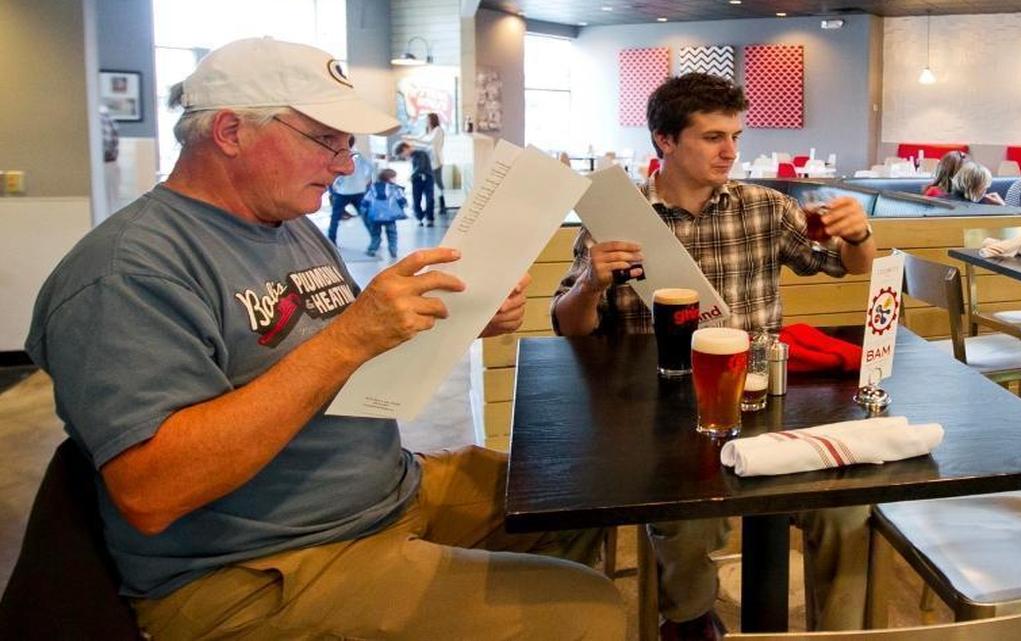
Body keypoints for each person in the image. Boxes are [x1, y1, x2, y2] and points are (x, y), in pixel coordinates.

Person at [25, 37, 624, 641]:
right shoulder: (127, 273)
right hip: (257, 567)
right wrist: (351, 339)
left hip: (381, 493)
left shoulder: (286, 225)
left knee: (575, 495)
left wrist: (451, 317)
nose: (344, 165)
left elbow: (313, 360)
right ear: (231, 131)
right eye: (326, 141)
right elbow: (153, 491)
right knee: (589, 614)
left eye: (349, 145)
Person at [552, 72, 876, 640]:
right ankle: (690, 618)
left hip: (763, 398)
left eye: (735, 135)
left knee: (846, 508)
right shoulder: (619, 220)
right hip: (660, 406)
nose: (730, 151)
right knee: (683, 521)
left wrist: (858, 234)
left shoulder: (765, 208)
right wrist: (589, 285)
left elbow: (850, 266)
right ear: (665, 141)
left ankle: (840, 634)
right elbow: (571, 330)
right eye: (712, 137)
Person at [326, 138, 374, 245]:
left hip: (342, 192)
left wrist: (336, 185)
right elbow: (371, 167)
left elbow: (336, 174)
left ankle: (331, 241)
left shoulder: (339, 156)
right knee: (364, 215)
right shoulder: (359, 156)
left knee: (335, 218)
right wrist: (364, 180)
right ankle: (375, 238)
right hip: (358, 191)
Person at [403, 112, 448, 212]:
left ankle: (443, 204)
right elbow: (420, 138)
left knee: (438, 183)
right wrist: (410, 138)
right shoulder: (427, 130)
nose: (426, 121)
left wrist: (412, 140)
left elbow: (429, 141)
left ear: (433, 119)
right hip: (428, 161)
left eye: (428, 119)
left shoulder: (438, 130)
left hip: (436, 161)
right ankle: (432, 206)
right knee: (430, 184)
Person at [363, 167, 406, 259]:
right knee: (392, 234)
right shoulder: (394, 188)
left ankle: (372, 249)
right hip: (390, 216)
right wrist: (402, 206)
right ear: (390, 178)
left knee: (375, 234)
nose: (395, 179)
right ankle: (393, 251)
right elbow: (401, 200)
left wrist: (365, 210)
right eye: (394, 177)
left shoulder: (373, 187)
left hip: (375, 216)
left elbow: (366, 200)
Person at [394, 140, 435, 227]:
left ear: (405, 149)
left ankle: (429, 219)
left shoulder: (421, 153)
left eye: (402, 154)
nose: (403, 156)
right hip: (416, 180)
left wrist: (411, 176)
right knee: (416, 200)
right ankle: (419, 218)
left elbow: (421, 167)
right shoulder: (411, 157)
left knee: (429, 199)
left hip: (427, 179)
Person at [99, 105, 121, 219]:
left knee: (106, 201)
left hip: (104, 163)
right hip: (110, 163)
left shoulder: (101, 118)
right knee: (112, 200)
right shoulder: (107, 117)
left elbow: (106, 146)